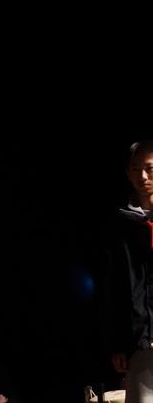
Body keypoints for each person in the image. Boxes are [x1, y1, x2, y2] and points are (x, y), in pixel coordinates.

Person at [103, 140, 153, 403]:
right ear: (128, 173)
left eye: (150, 168)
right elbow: (115, 287)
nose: (143, 177)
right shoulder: (121, 226)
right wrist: (118, 343)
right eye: (136, 169)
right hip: (140, 341)